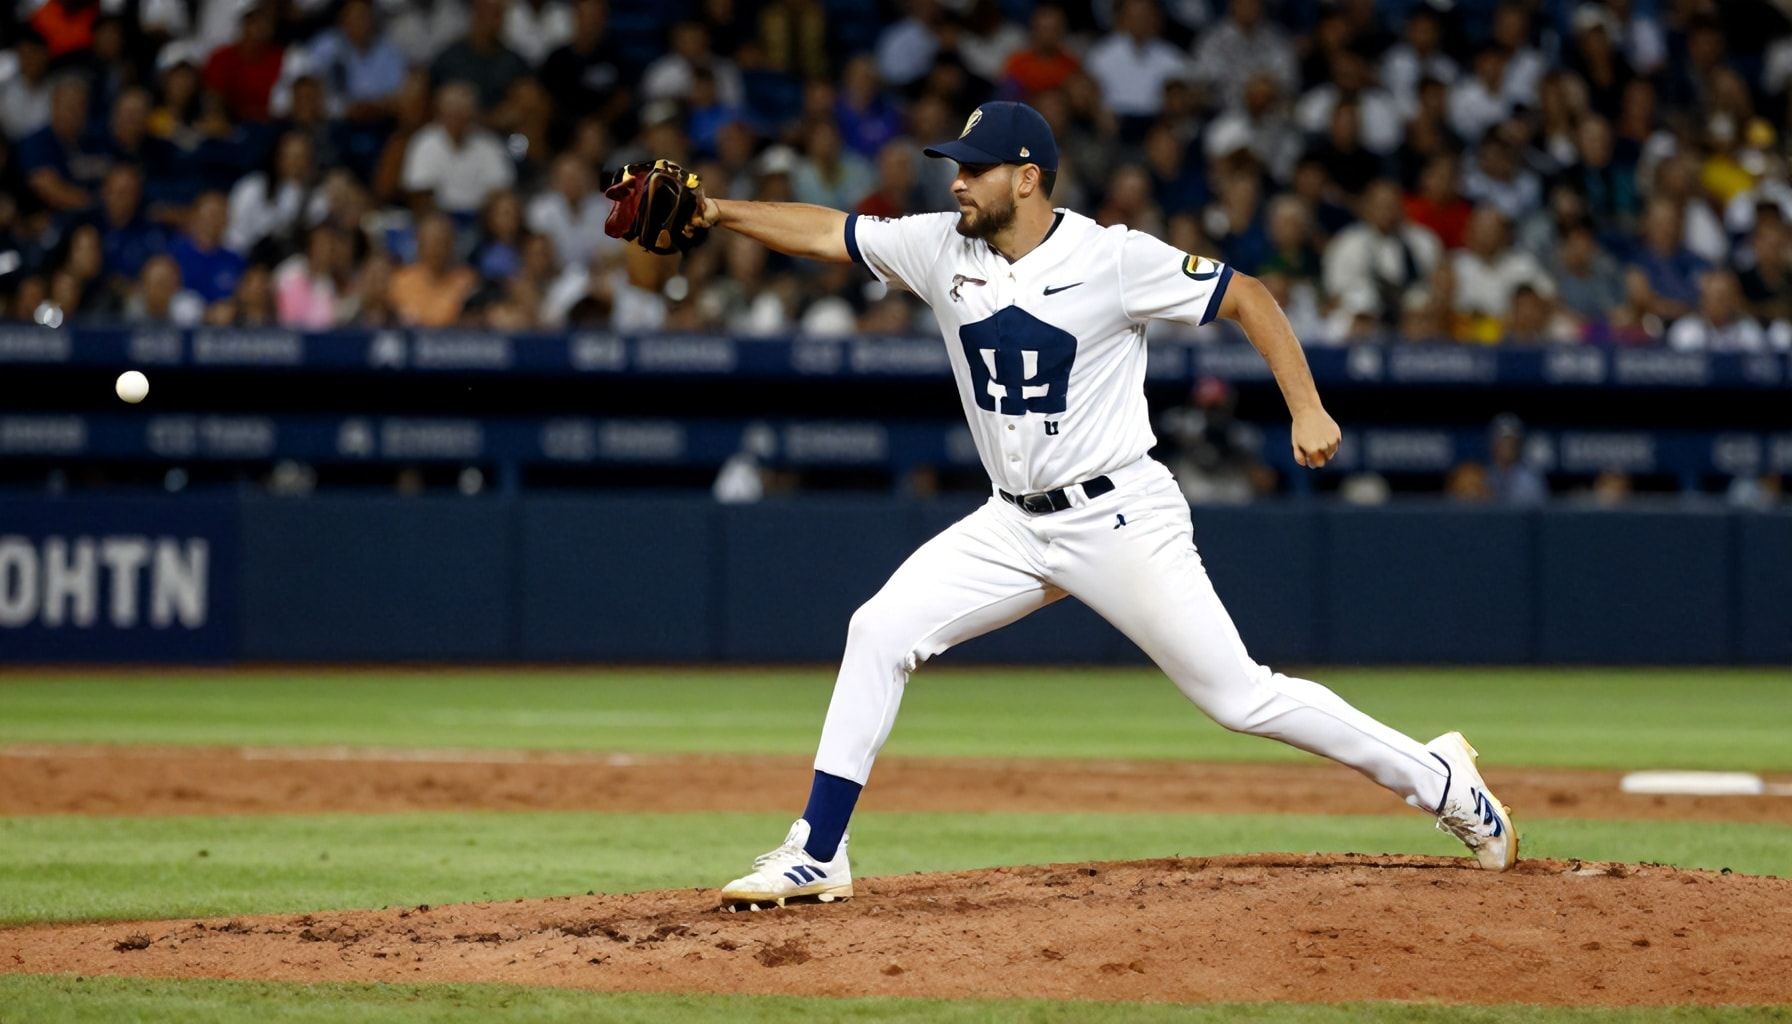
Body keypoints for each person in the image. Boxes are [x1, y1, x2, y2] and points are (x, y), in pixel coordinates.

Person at [624, 101, 1519, 909]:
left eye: (974, 167)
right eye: (955, 167)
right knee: (879, 630)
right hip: (1011, 520)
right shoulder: (942, 246)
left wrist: (1307, 403)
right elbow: (831, 233)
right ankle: (818, 851)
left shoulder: (1111, 258)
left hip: (1118, 515)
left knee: (1241, 699)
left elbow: (1245, 294)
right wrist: (715, 211)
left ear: (1028, 177)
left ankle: (1445, 785)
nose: (957, 180)